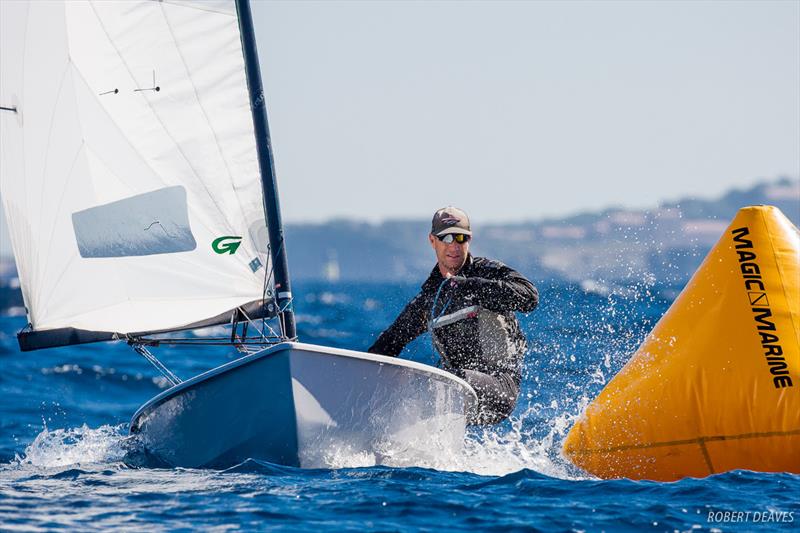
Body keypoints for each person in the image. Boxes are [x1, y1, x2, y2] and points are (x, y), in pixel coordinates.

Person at [368, 206, 538, 424]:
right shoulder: (429, 298)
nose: (454, 245)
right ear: (432, 240)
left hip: (500, 387)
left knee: (445, 383)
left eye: (461, 238)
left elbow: (529, 297)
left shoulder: (485, 271)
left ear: (469, 239)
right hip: (454, 385)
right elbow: (389, 344)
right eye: (446, 237)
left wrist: (469, 287)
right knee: (415, 384)